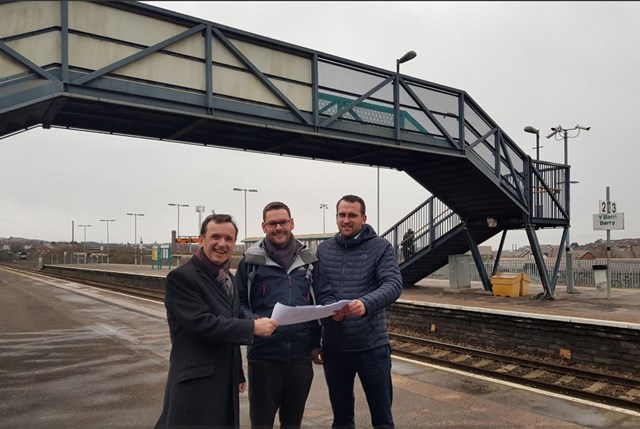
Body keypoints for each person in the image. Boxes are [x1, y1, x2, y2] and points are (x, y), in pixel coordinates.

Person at [155, 213, 279, 429]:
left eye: (229, 239)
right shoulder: (182, 278)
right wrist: (251, 327)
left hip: (223, 381)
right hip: (196, 384)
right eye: (216, 237)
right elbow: (202, 324)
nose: (222, 244)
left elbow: (228, 322)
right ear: (201, 240)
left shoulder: (226, 277)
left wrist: (237, 372)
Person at [236, 201, 335, 429]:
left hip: (300, 358)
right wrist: (253, 321)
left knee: (293, 423)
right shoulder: (250, 263)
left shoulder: (309, 261)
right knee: (261, 423)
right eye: (272, 223)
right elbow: (238, 303)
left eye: (283, 222)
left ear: (292, 223)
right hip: (264, 357)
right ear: (264, 226)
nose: (278, 228)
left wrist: (316, 341)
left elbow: (322, 298)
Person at [316, 195, 403, 429]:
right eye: (342, 215)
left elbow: (393, 284)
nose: (346, 220)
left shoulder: (381, 247)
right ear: (336, 218)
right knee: (342, 420)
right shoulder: (324, 251)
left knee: (382, 419)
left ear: (363, 218)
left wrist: (366, 303)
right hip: (335, 348)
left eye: (352, 215)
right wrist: (330, 310)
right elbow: (320, 290)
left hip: (372, 347)